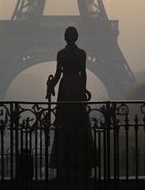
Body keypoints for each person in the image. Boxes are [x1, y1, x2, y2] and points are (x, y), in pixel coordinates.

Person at [46, 26, 96, 180]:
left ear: (65, 37)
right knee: (80, 124)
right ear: (77, 37)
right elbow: (83, 73)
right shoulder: (82, 54)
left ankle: (64, 161)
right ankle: (81, 161)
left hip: (65, 87)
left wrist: (50, 87)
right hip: (76, 87)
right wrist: (83, 89)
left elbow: (57, 74)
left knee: (64, 124)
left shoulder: (61, 54)